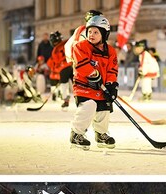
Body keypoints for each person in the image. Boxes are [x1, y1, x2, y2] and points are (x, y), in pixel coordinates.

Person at [70, 15, 119, 150]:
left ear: (104, 34)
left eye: (96, 32)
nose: (91, 34)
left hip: (100, 88)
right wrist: (93, 75)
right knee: (89, 105)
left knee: (105, 107)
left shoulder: (110, 51)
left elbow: (112, 70)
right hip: (84, 86)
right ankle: (76, 134)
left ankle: (101, 133)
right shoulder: (81, 46)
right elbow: (81, 64)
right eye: (89, 31)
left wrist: (111, 85)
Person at [47, 31, 73, 108]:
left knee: (64, 84)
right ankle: (81, 97)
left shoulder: (55, 50)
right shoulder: (67, 43)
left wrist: (57, 71)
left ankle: (65, 100)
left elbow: (57, 62)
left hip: (64, 68)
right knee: (76, 83)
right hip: (72, 65)